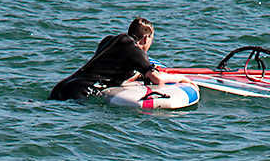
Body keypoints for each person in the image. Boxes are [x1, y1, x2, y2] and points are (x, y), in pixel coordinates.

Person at [48, 17, 196, 101]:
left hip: (62, 87)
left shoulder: (110, 40)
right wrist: (182, 79)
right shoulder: (135, 50)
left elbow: (109, 70)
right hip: (80, 93)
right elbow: (157, 78)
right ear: (145, 38)